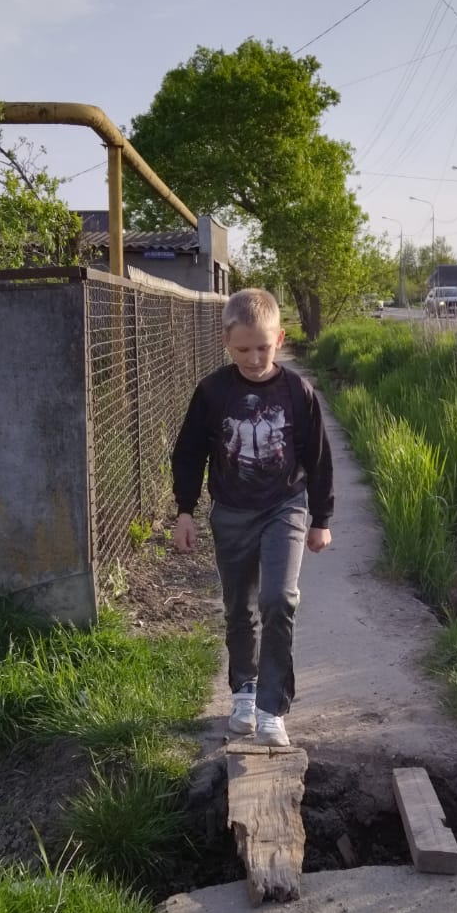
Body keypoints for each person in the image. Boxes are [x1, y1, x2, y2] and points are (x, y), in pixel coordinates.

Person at [171, 289, 334, 748]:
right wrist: (185, 510)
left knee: (279, 600)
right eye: (243, 349)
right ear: (227, 343)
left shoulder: (297, 392)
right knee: (239, 609)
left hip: (285, 507)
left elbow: (319, 458)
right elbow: (188, 454)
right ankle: (243, 690)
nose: (254, 357)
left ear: (279, 338)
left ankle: (271, 708)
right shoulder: (213, 392)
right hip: (231, 513)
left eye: (263, 347)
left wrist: (322, 517)